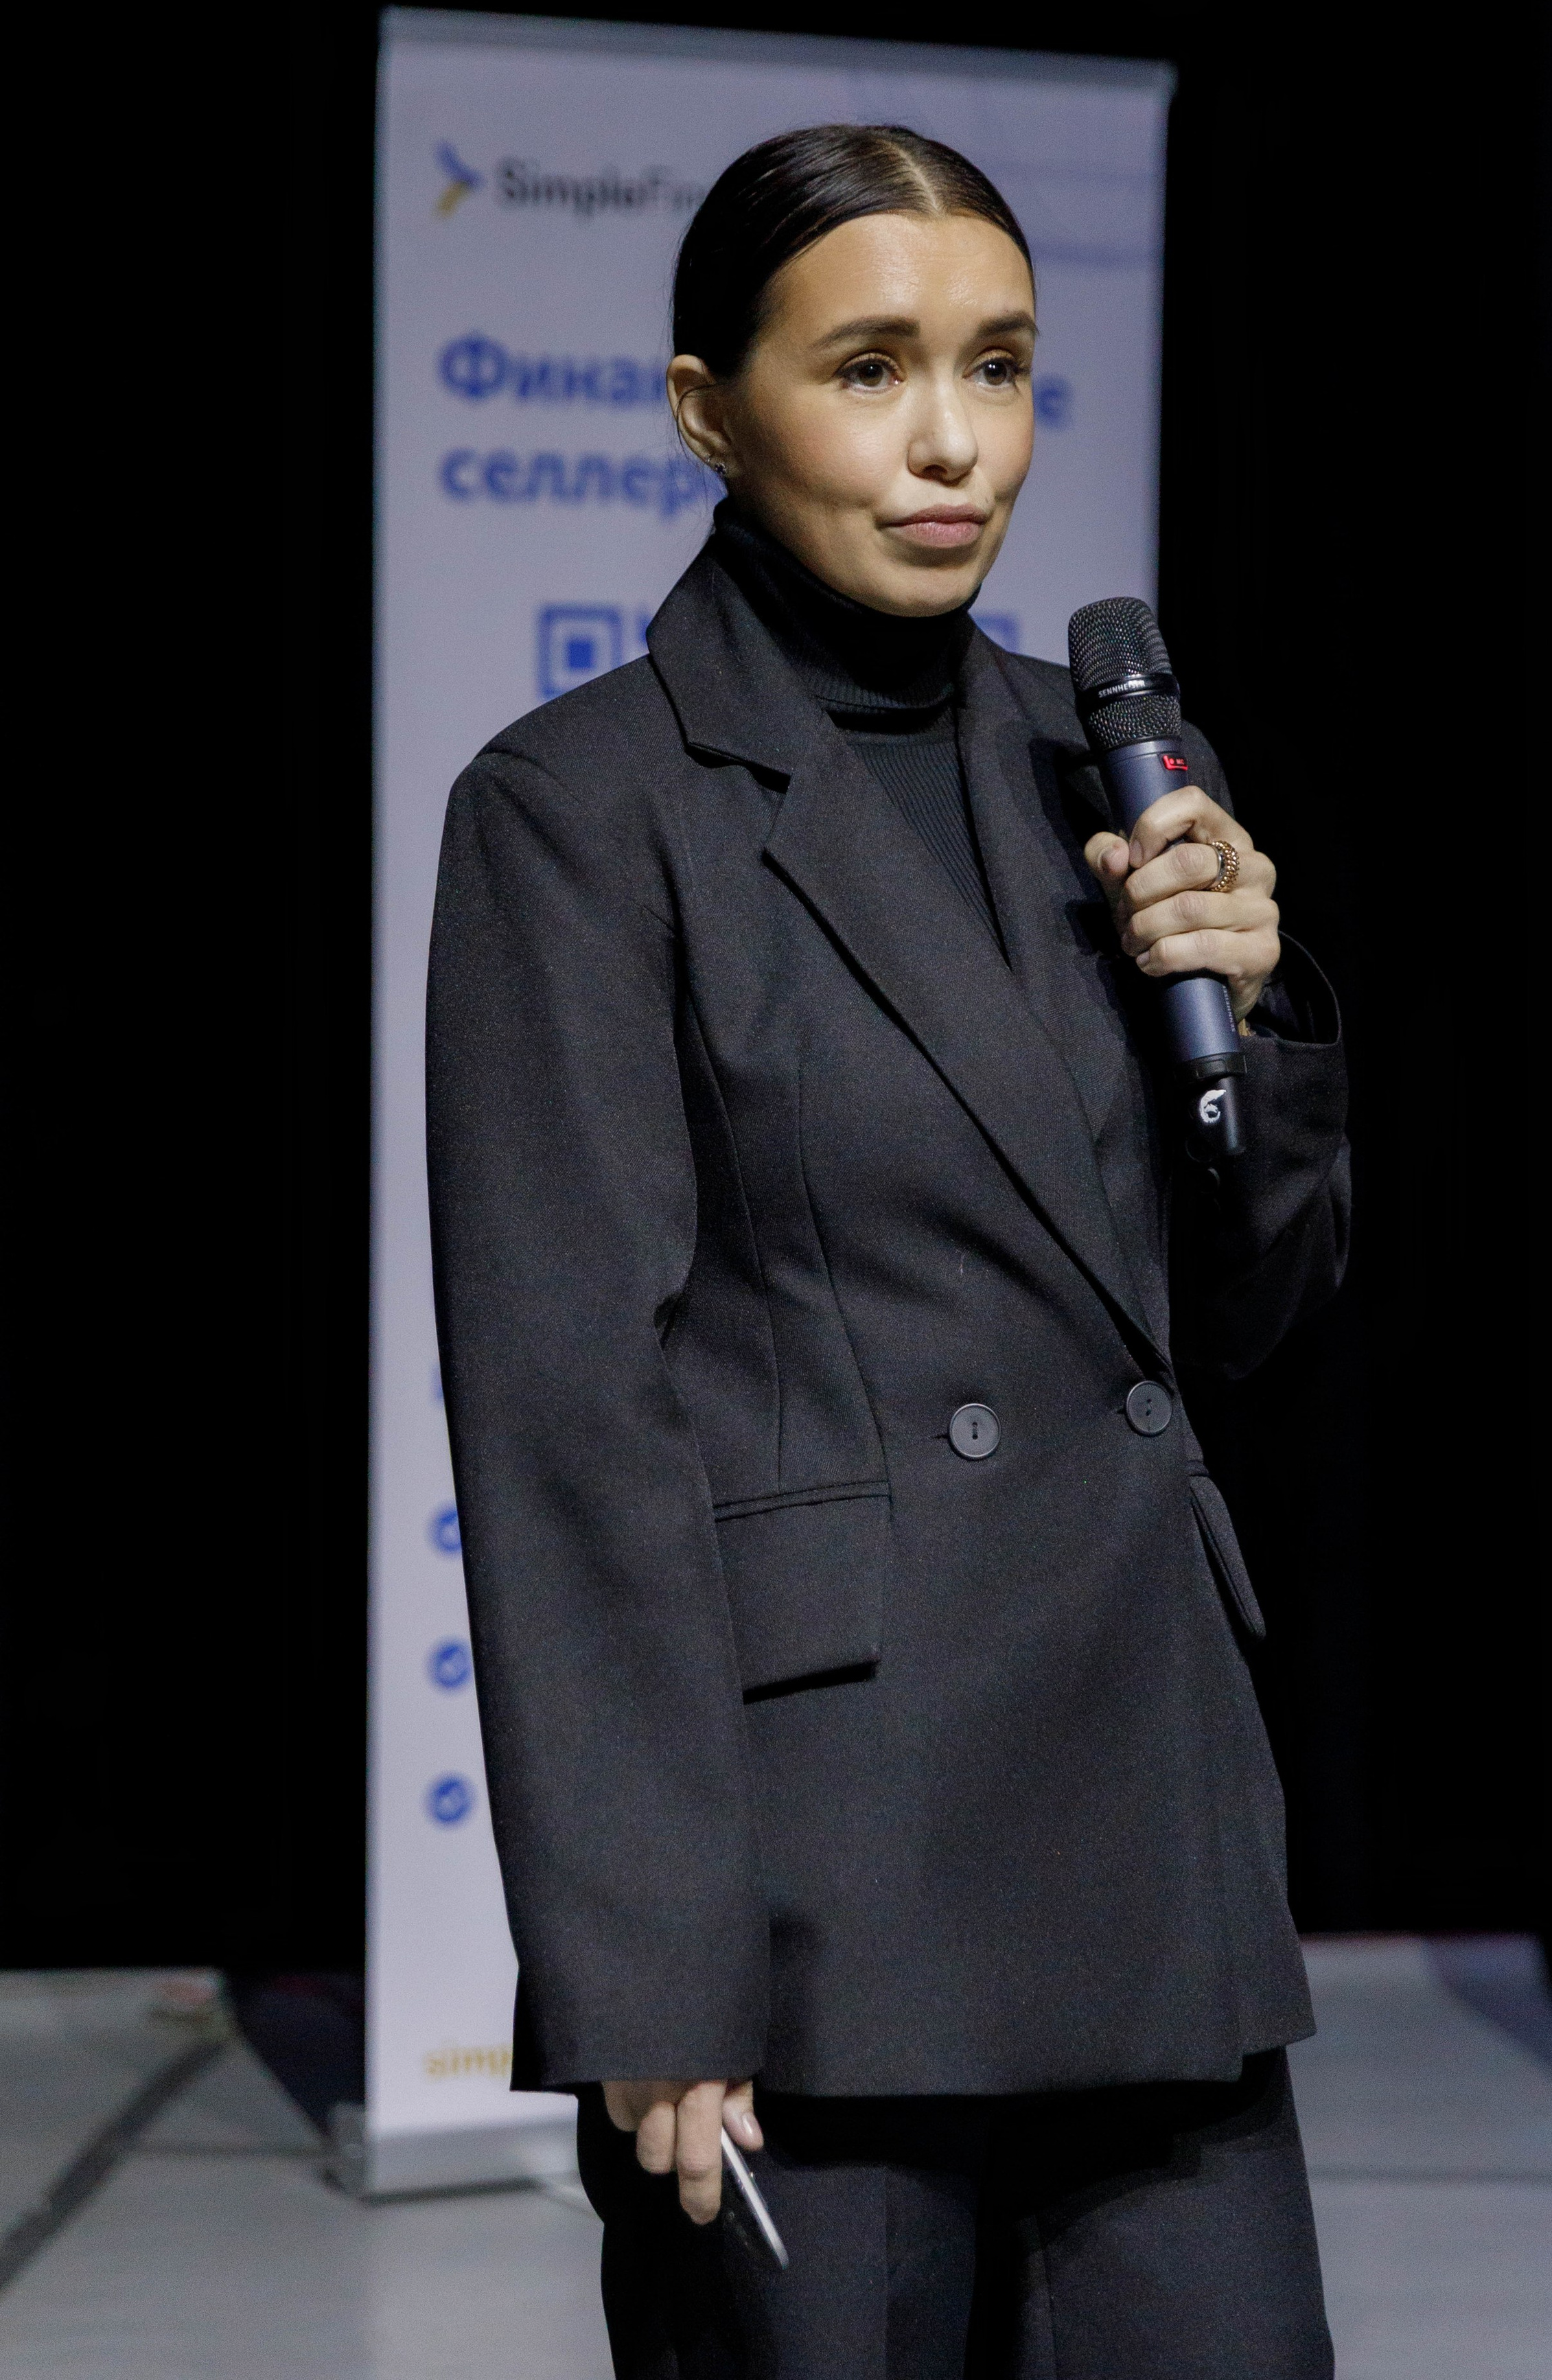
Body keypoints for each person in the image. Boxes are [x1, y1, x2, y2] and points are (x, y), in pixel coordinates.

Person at [426, 124, 1349, 2377]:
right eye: (870, 366)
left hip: (1148, 1853)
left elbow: (1240, 1314)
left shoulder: (1108, 768)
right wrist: (648, 1977)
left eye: (1002, 364)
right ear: (705, 409)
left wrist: (1270, 1014)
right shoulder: (581, 808)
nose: (955, 440)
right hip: (822, 1919)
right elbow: (574, 1418)